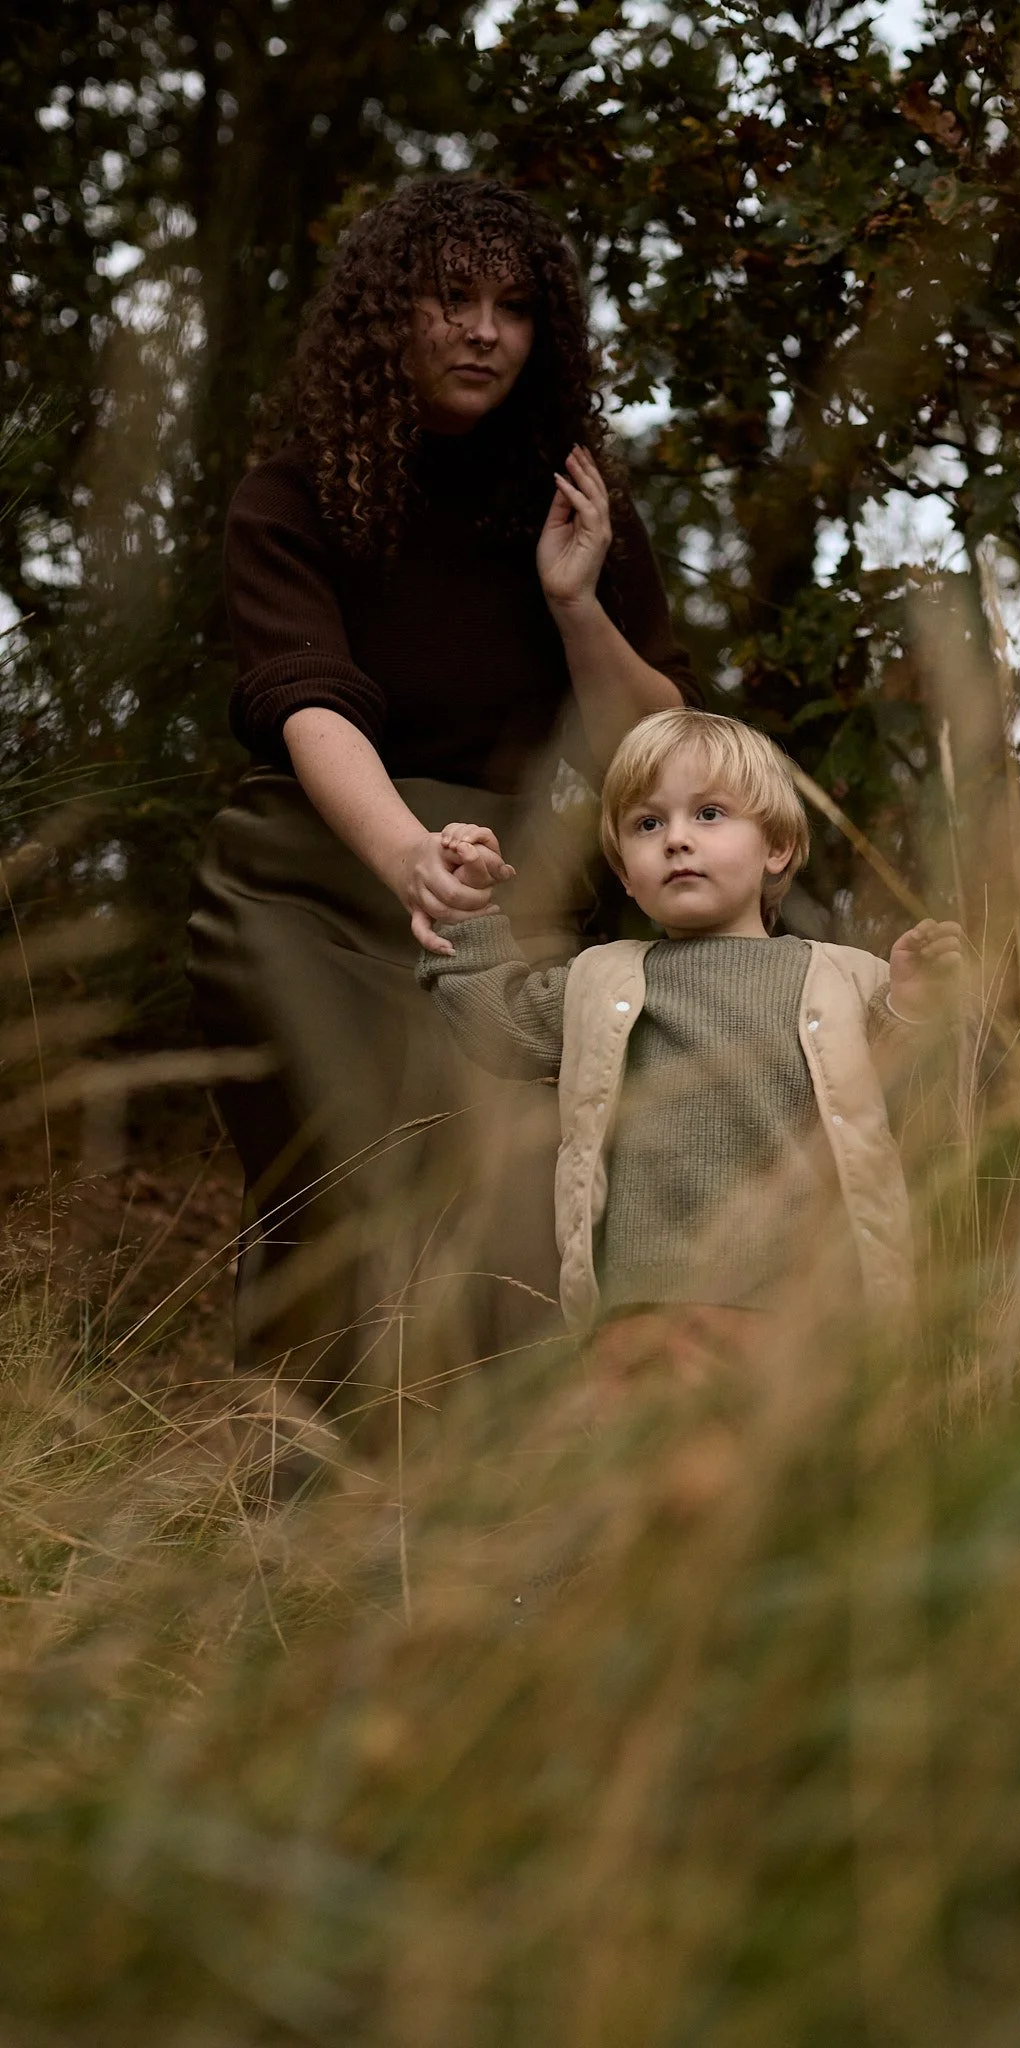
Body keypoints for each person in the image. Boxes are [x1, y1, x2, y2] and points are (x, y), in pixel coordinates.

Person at [186, 176, 697, 1424]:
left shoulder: (574, 503)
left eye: (512, 307)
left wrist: (576, 602)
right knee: (360, 1175)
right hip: (318, 868)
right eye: (450, 298)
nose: (482, 330)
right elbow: (309, 699)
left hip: (503, 891)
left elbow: (657, 737)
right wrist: (404, 851)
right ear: (387, 314)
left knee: (514, 1207)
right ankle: (312, 1505)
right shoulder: (296, 492)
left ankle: (477, 1541)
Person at [418, 708, 964, 1381]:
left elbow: (909, 1107)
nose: (676, 839)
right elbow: (500, 1024)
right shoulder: (603, 980)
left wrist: (912, 1006)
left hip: (807, 1302)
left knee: (794, 1480)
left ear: (777, 848)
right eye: (648, 824)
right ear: (624, 872)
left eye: (709, 814)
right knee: (661, 1481)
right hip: (645, 1306)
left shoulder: (847, 980)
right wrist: (465, 910)